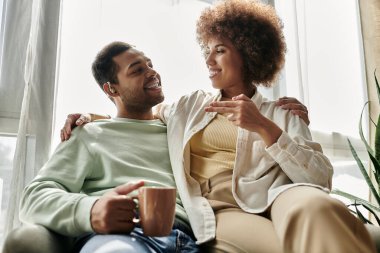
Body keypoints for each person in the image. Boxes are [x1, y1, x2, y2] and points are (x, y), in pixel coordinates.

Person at [60, 1, 375, 253]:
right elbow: (137, 114)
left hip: (281, 197)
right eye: (206, 50)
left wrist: (265, 128)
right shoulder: (189, 106)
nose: (209, 60)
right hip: (222, 210)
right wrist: (90, 117)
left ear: (248, 52)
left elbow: (320, 179)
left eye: (220, 50)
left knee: (318, 207)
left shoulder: (281, 113)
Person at [18, 41, 199, 253]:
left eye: (150, 64)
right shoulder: (89, 134)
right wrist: (92, 210)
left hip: (188, 240)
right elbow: (34, 197)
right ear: (111, 88)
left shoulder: (177, 130)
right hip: (122, 236)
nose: (152, 72)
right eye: (138, 70)